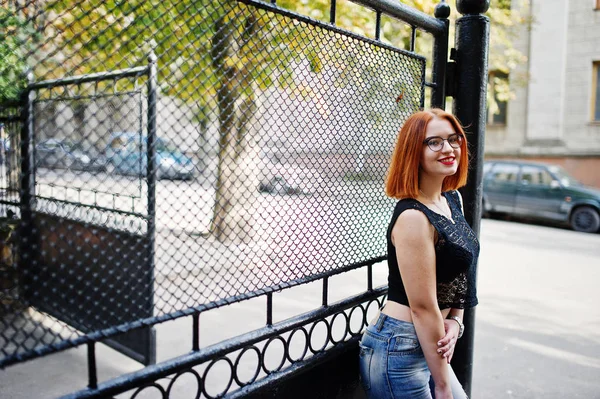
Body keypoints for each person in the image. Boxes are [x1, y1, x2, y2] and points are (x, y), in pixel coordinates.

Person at [359, 108, 479, 399]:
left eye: (454, 139)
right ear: (414, 151)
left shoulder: (452, 199)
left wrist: (457, 319)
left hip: (431, 338)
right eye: (434, 142)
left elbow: (462, 268)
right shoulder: (413, 217)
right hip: (399, 347)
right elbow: (422, 308)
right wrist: (442, 386)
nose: (449, 148)